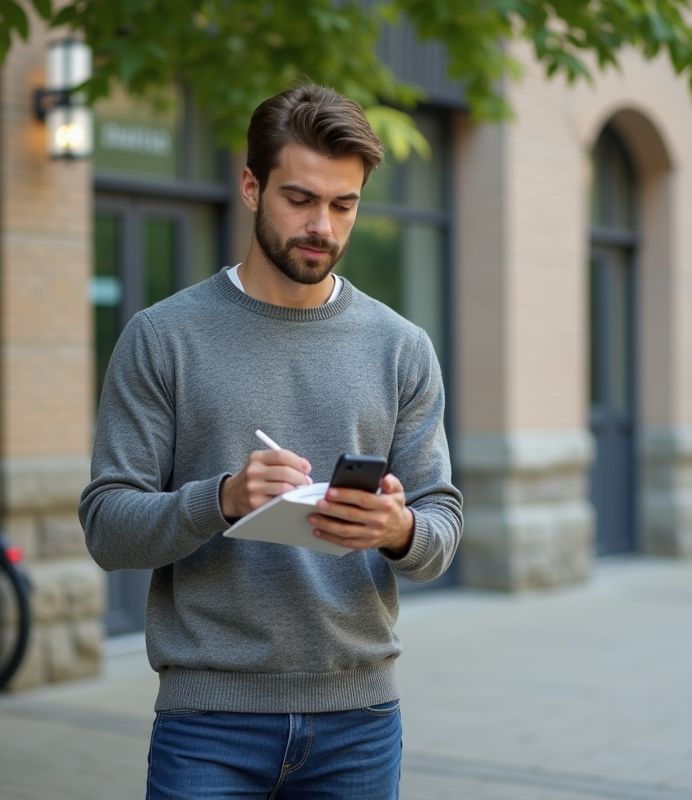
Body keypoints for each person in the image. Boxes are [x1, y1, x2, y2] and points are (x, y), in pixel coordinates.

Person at [79, 84, 463, 799]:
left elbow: (441, 526)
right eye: (300, 199)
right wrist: (222, 499)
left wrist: (398, 529)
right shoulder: (163, 337)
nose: (322, 226)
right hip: (208, 720)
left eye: (344, 205)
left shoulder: (401, 347)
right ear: (252, 187)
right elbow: (107, 529)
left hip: (359, 721)